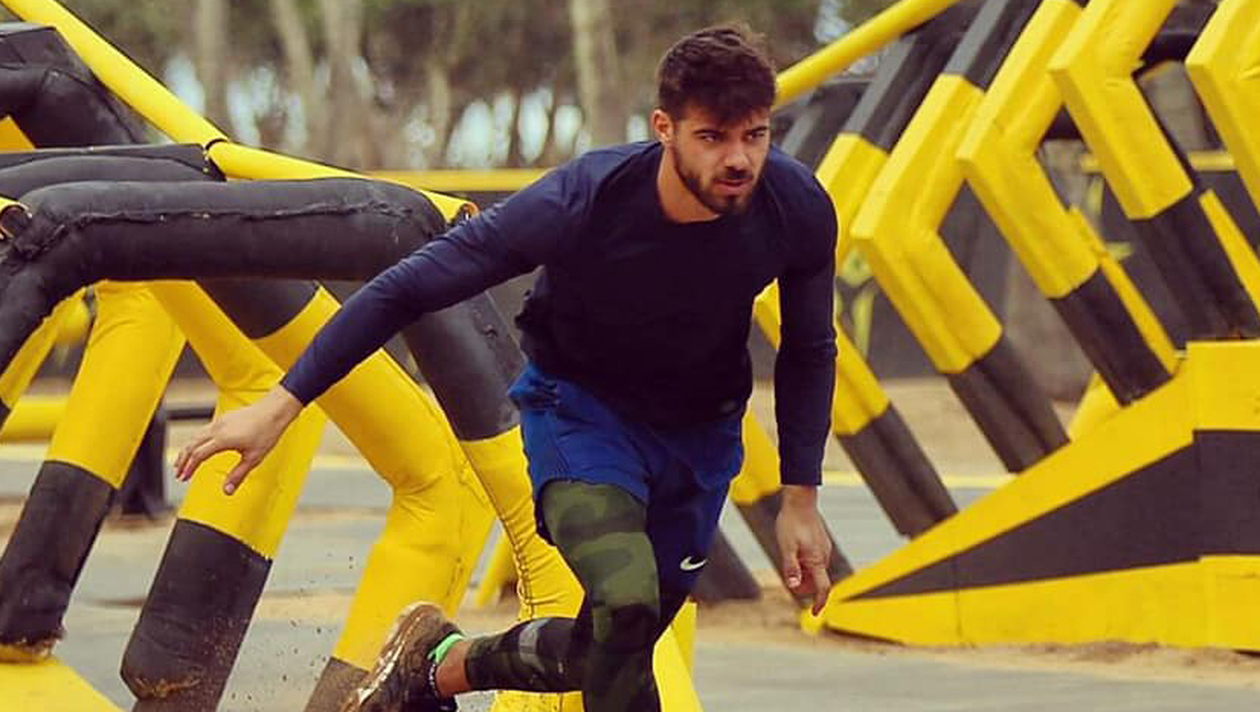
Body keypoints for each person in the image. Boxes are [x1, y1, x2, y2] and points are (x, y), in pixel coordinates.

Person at [176, 23, 837, 712]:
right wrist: (282, 403)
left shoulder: (796, 208)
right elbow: (407, 288)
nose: (739, 159)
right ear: (664, 128)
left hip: (699, 442)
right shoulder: (584, 199)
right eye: (713, 137)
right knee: (626, 601)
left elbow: (810, 347)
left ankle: (436, 666)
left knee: (610, 644)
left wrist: (800, 499)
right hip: (582, 416)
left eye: (755, 136)